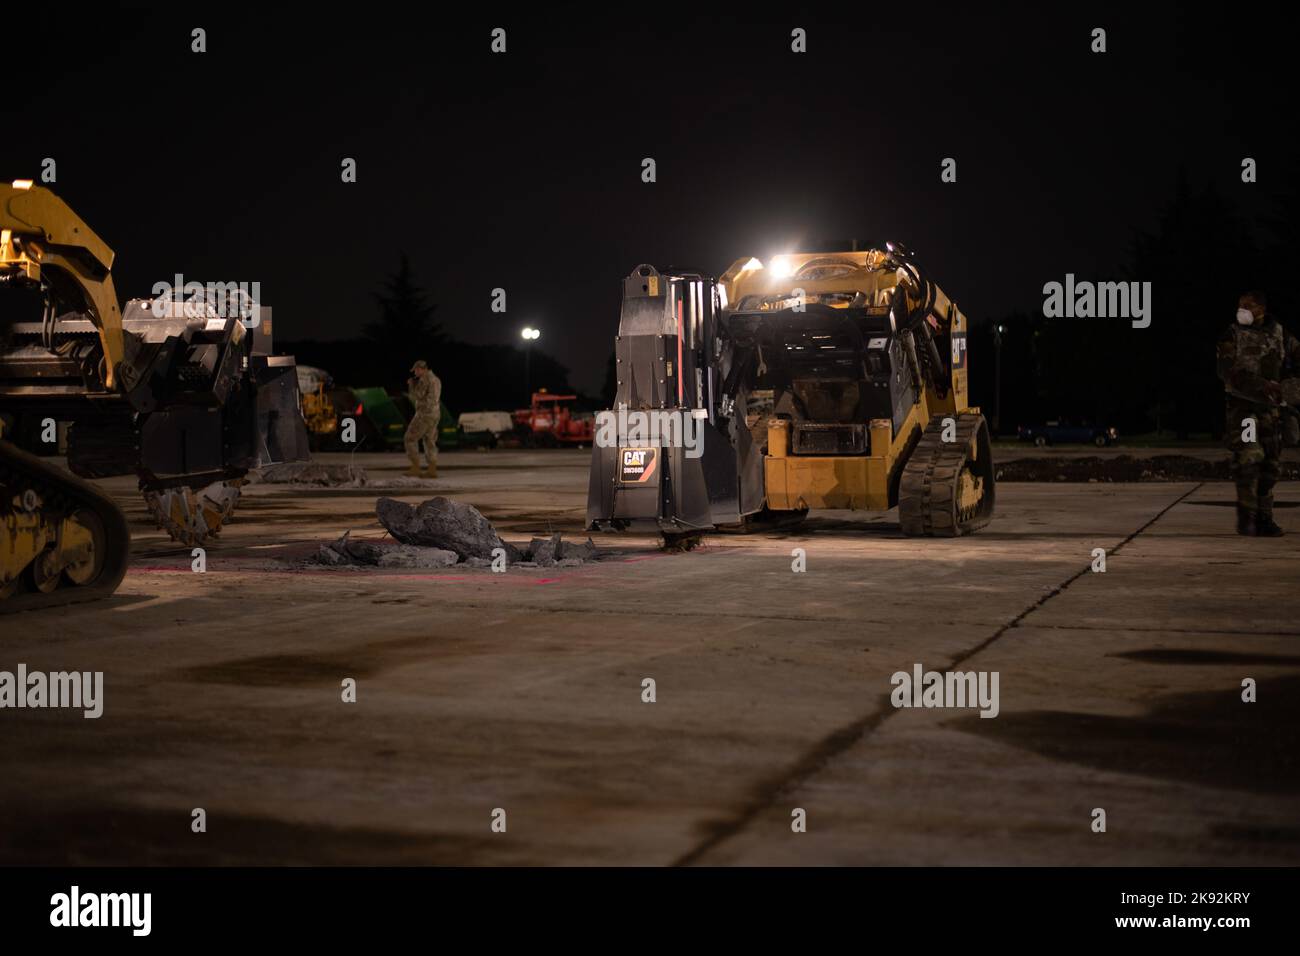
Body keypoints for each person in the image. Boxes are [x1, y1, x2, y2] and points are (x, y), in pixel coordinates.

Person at [1216, 291, 1299, 535]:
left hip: (1271, 410)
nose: (1242, 310)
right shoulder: (1231, 334)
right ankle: (1248, 517)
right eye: (1240, 305)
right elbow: (1226, 370)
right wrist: (1262, 386)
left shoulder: (1280, 334)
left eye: (1248, 306)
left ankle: (1265, 518)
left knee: (1271, 465)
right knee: (1250, 457)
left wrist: (1290, 387)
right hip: (1243, 409)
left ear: (1261, 309)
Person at [404, 359, 442, 478]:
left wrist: (411, 385)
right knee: (429, 440)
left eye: (415, 370)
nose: (414, 373)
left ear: (421, 369)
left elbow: (417, 395)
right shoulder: (436, 379)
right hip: (435, 414)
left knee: (409, 438)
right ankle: (432, 469)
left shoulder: (424, 379)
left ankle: (415, 468)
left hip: (424, 414)